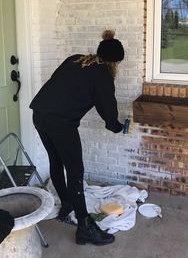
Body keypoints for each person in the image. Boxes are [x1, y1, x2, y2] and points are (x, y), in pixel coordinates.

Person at [30, 30, 124, 246]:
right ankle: (85, 226)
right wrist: (117, 127)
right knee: (75, 171)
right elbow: (109, 114)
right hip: (61, 123)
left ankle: (67, 205)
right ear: (115, 62)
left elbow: (57, 81)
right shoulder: (104, 76)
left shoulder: (74, 59)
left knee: (56, 161)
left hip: (40, 113)